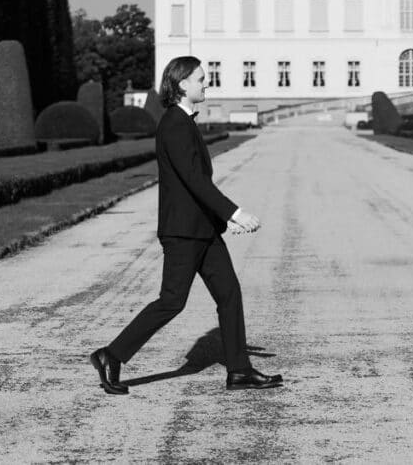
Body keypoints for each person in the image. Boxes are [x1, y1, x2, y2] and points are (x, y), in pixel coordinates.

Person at [90, 56, 282, 394]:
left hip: (202, 231)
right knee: (172, 301)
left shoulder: (184, 122)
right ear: (182, 84)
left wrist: (219, 220)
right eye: (201, 79)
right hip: (183, 233)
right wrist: (234, 213)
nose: (206, 84)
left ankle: (239, 370)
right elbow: (195, 181)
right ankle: (111, 354)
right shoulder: (175, 124)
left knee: (229, 294)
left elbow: (194, 183)